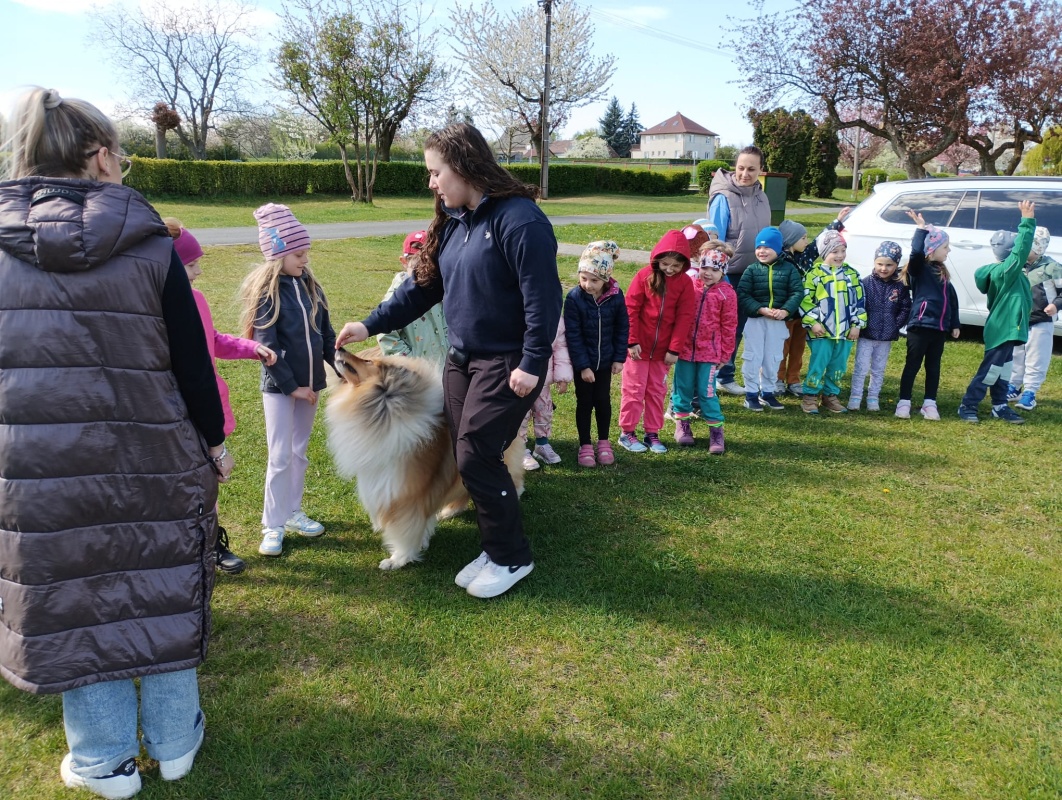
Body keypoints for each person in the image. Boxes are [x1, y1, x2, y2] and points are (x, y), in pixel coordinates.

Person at [0, 87, 232, 799]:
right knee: (161, 584)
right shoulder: (151, 245)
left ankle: (104, 759)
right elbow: (191, 362)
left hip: (38, 468)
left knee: (78, 601)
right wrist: (213, 441)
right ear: (101, 157)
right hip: (152, 454)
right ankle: (174, 738)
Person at [334, 122, 561, 599]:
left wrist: (532, 361)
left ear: (463, 165)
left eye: (436, 172)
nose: (431, 182)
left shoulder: (521, 220)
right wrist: (369, 325)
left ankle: (511, 555)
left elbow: (543, 299)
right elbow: (422, 288)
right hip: (462, 361)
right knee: (466, 456)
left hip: (507, 363)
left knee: (477, 454)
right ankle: (494, 546)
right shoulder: (457, 221)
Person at [164, 219, 278, 575]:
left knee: (206, 484)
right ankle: (183, 550)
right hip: (176, 412)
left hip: (205, 408)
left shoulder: (196, 300)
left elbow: (211, 340)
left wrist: (250, 347)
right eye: (190, 265)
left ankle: (211, 545)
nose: (198, 272)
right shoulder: (154, 309)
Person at [239, 203, 336, 556]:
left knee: (299, 453)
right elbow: (268, 348)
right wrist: (292, 387)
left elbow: (326, 335)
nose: (305, 259)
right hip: (282, 389)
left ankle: (293, 511)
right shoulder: (268, 293)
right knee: (280, 455)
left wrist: (340, 367)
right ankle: (273, 524)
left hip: (310, 388)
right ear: (277, 254)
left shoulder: (312, 288)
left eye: (306, 252)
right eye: (298, 253)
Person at [957, 201, 1036, 424]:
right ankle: (968, 404)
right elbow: (1021, 250)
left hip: (1009, 330)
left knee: (1004, 370)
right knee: (991, 370)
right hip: (1002, 329)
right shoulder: (1006, 272)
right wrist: (1027, 221)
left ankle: (999, 405)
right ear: (1011, 254)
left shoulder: (1010, 273)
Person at [619, 230, 696, 454]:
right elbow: (630, 309)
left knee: (656, 391)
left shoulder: (685, 283)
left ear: (684, 264)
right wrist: (631, 341)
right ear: (657, 260)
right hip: (638, 349)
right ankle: (627, 432)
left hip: (664, 352)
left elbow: (685, 317)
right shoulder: (644, 276)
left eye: (676, 265)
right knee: (634, 391)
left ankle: (652, 433)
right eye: (665, 264)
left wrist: (674, 349)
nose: (670, 269)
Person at [707, 146, 772, 395]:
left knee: (737, 327)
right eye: (741, 168)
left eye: (751, 169)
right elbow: (716, 240)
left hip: (751, 273)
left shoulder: (761, 196)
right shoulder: (723, 197)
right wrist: (718, 276)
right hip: (727, 275)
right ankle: (708, 377)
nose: (745, 174)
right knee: (719, 328)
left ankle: (725, 375)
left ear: (760, 170)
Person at [564, 241, 628, 467]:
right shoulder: (574, 298)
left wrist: (619, 357)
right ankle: (585, 444)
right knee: (584, 402)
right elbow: (573, 335)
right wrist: (583, 366)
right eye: (584, 278)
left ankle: (603, 441)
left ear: (606, 278)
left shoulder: (616, 296)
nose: (588, 285)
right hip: (584, 365)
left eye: (594, 280)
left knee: (602, 401)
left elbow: (622, 327)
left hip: (605, 362)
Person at [774, 211, 849, 396]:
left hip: (803, 314)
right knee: (782, 348)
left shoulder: (805, 255)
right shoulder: (779, 260)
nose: (807, 241)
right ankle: (777, 379)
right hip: (785, 314)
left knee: (798, 348)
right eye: (803, 238)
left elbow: (819, 243)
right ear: (791, 240)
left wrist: (837, 221)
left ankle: (793, 380)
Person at [671, 247, 738, 453]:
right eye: (704, 267)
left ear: (723, 272)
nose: (708, 273)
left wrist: (725, 354)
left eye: (714, 270)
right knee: (682, 388)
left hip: (709, 353)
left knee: (706, 391)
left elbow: (729, 326)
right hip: (684, 351)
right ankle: (682, 425)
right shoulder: (691, 287)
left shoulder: (727, 294)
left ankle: (716, 431)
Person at [895, 214, 961, 419]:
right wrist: (921, 229)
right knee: (912, 364)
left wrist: (955, 324)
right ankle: (904, 402)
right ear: (932, 250)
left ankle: (929, 403)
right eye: (945, 247)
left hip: (939, 329)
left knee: (933, 367)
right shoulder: (919, 269)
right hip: (920, 326)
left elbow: (952, 300)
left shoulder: (943, 274)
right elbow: (916, 253)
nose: (948, 250)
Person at [736, 226, 804, 411]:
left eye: (767, 247)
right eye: (759, 247)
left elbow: (797, 292)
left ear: (778, 248)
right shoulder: (752, 270)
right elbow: (743, 294)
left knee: (773, 357)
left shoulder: (789, 269)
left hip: (778, 322)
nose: (762, 251)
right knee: (753, 357)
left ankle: (767, 392)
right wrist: (760, 309)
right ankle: (751, 394)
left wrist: (785, 311)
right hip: (756, 321)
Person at [798, 230, 867, 414]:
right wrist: (813, 322)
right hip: (821, 332)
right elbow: (805, 300)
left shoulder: (852, 275)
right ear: (824, 253)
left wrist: (856, 324)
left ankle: (830, 395)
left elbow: (860, 301)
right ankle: (810, 395)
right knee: (818, 364)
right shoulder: (814, 275)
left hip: (845, 332)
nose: (840, 255)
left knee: (838, 366)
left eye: (843, 250)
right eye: (834, 251)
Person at [847, 241, 911, 411]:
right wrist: (860, 325)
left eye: (889, 265)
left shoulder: (900, 286)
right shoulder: (865, 283)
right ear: (874, 262)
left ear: (896, 265)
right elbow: (858, 306)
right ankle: (855, 396)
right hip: (866, 335)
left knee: (878, 368)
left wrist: (895, 325)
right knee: (861, 367)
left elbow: (905, 307)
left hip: (886, 337)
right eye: (880, 264)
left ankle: (873, 397)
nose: (883, 268)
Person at [1008, 226, 1062, 411]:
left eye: (1027, 245)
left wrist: (1055, 305)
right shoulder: (1017, 265)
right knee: (1016, 354)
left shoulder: (1052, 267)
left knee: (1036, 356)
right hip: (1019, 319)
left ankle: (1030, 391)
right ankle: (1014, 386)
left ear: (1038, 247)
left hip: (1041, 320)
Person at [377, 230, 448, 368]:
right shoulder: (396, 297)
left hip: (445, 366)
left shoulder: (440, 289)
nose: (424, 271)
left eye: (429, 265)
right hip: (419, 374)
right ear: (404, 262)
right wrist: (410, 364)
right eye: (417, 265)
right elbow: (385, 334)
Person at [517, 318, 572, 469]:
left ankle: (542, 444)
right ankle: (519, 448)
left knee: (544, 410)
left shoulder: (556, 320)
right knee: (521, 413)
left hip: (543, 378)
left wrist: (563, 376)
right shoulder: (520, 313)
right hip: (522, 376)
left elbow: (560, 348)